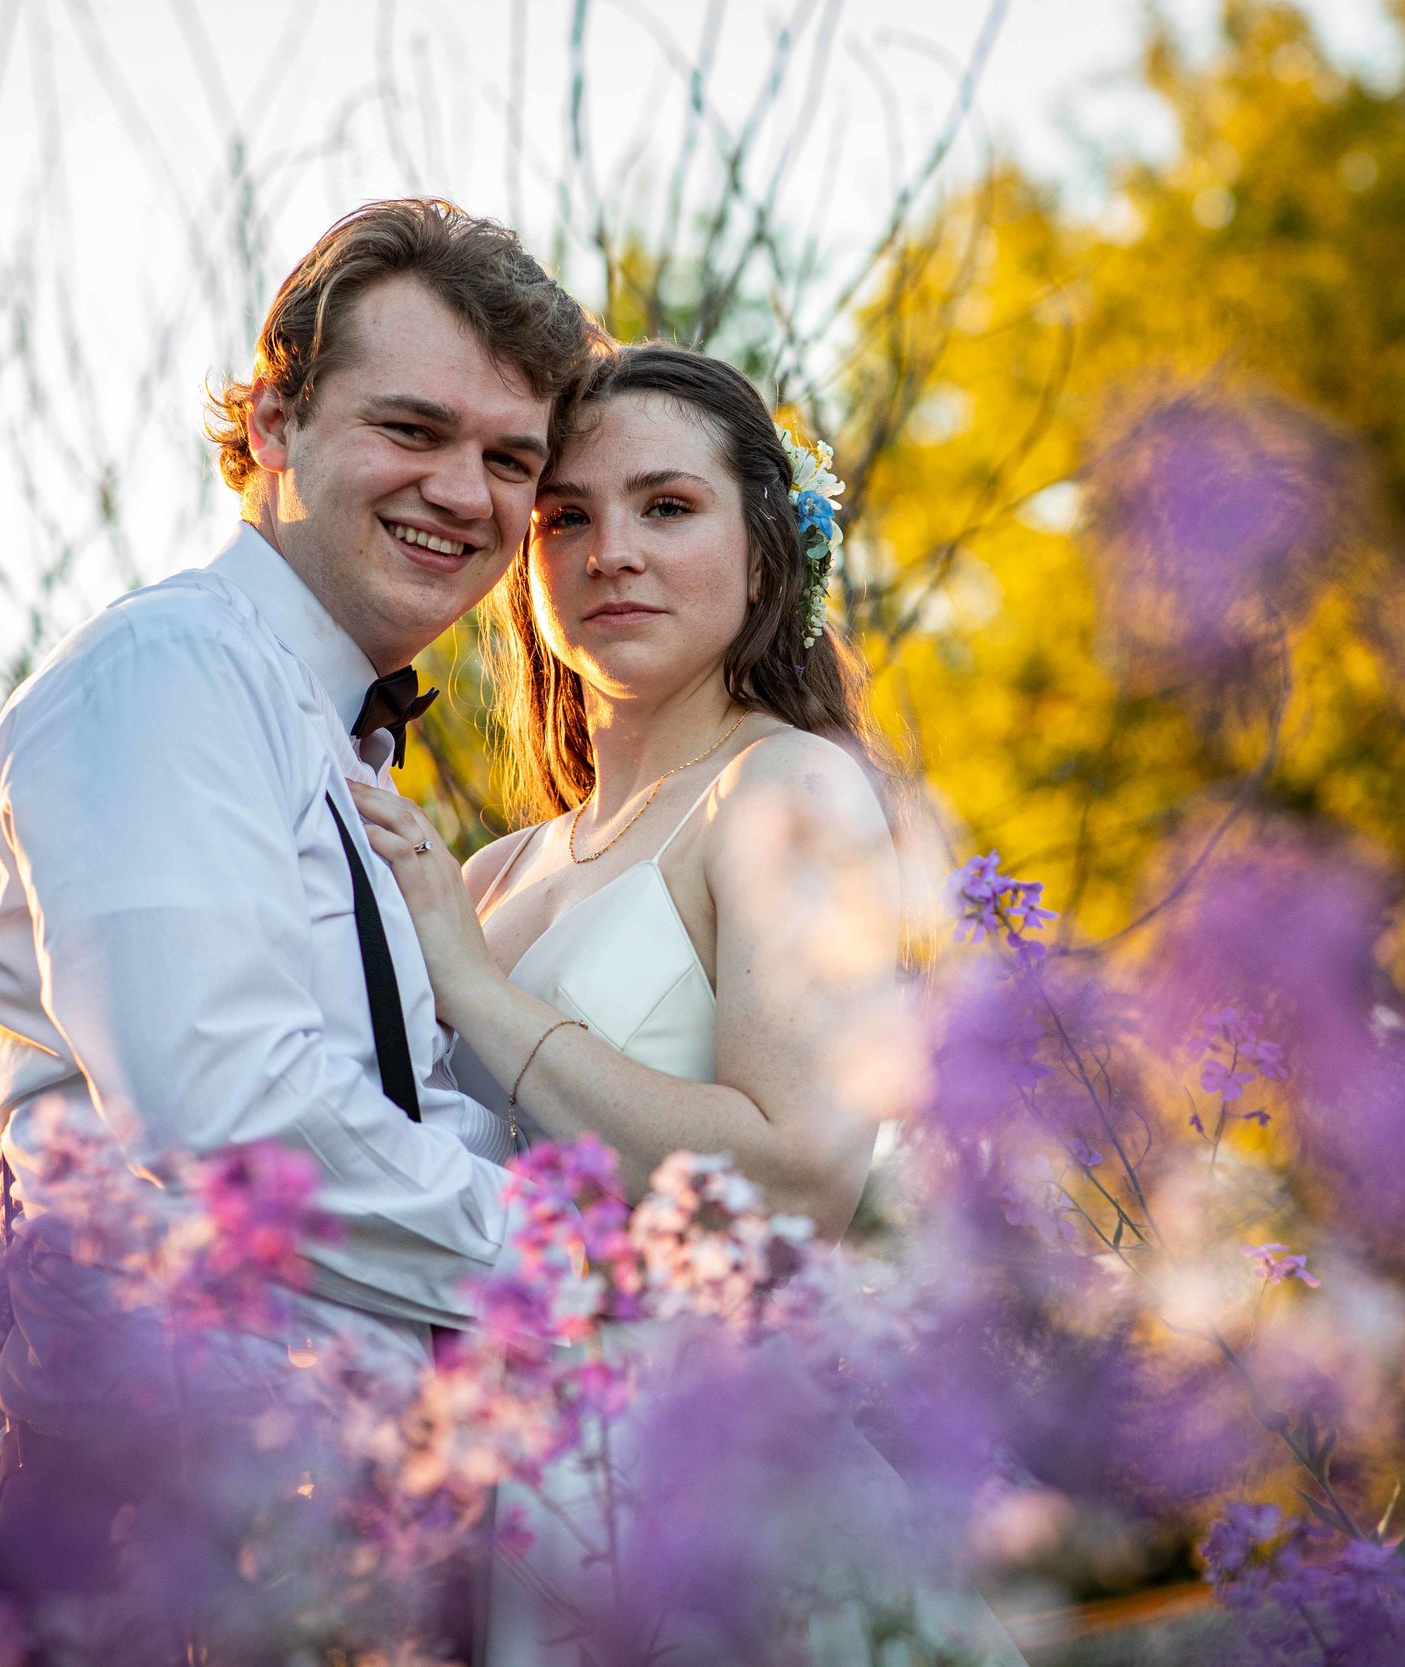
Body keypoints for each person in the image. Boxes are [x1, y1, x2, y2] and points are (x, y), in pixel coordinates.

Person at [0, 198, 598, 1631]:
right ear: (270, 420)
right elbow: (227, 1108)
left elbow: (393, 1110)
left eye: (510, 458)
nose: (464, 492)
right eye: (412, 429)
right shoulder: (164, 678)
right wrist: (581, 1268)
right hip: (158, 1557)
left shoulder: (337, 746)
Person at [351, 344, 1022, 1664]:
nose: (612, 553)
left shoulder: (791, 795)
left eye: (667, 506)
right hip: (532, 1494)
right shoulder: (490, 874)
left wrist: (478, 995)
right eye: (567, 518)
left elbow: (799, 1176)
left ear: (768, 551)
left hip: (733, 1507)